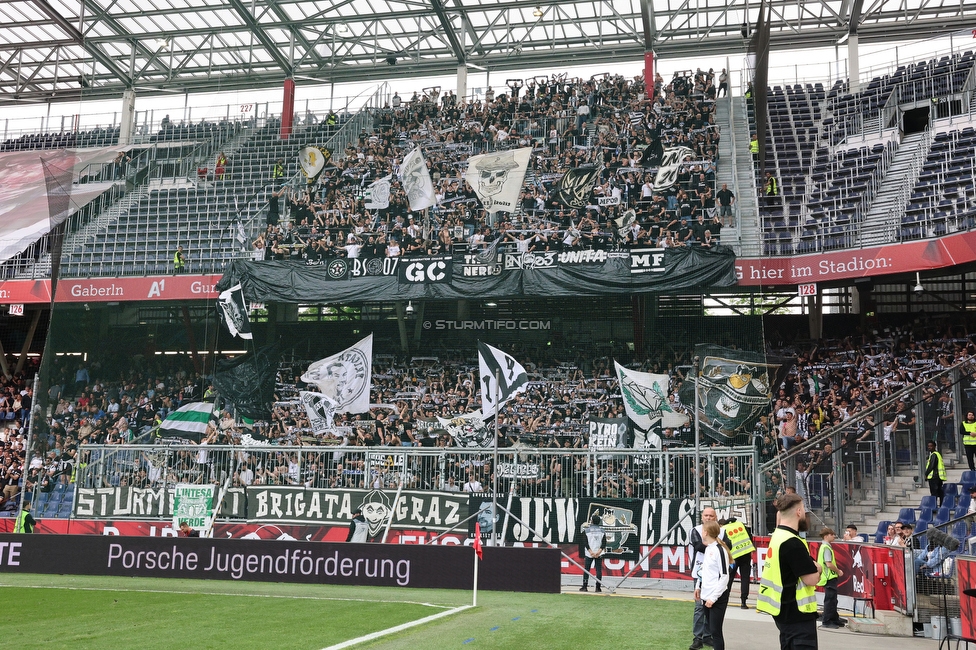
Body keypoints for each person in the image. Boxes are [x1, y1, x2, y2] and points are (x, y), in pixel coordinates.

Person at [757, 492, 822, 650]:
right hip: (797, 614)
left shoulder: (778, 536)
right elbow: (811, 579)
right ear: (798, 512)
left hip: (783, 611)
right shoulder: (792, 542)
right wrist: (818, 568)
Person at [690, 507, 726, 650]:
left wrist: (714, 545)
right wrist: (698, 585)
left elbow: (727, 546)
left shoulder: (719, 542)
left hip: (715, 582)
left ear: (715, 517)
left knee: (712, 614)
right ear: (702, 516)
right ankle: (698, 638)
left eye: (711, 515)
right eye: (706, 515)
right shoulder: (696, 530)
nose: (708, 517)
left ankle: (707, 636)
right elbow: (698, 546)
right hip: (700, 576)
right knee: (700, 608)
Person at [696, 520, 732, 650]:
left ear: (705, 532)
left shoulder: (719, 550)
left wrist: (713, 598)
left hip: (717, 597)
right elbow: (704, 571)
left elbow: (724, 576)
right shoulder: (708, 549)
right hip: (706, 595)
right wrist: (698, 586)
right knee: (712, 629)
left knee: (716, 632)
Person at [722, 516, 755, 609]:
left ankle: (725, 600)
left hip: (733, 557)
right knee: (745, 578)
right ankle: (743, 602)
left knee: (729, 578)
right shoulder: (740, 525)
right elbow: (750, 537)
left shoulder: (724, 529)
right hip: (745, 554)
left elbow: (724, 543)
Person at [817, 528, 845, 629]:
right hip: (829, 577)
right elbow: (829, 564)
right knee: (830, 600)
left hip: (828, 577)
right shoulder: (826, 548)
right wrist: (838, 571)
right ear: (826, 536)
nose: (834, 536)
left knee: (833, 599)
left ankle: (834, 618)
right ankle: (827, 621)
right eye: (832, 534)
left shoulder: (825, 547)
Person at [580, 512, 606, 592]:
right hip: (599, 553)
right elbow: (604, 543)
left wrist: (591, 552)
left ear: (592, 521)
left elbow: (585, 542)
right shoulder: (602, 531)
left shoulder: (587, 530)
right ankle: (598, 587)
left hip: (589, 553)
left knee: (586, 569)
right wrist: (598, 552)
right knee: (598, 570)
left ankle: (584, 586)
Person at [925, 440, 946, 507]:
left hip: (934, 477)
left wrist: (926, 474)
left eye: (931, 446)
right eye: (928, 446)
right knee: (939, 492)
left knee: (934, 493)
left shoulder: (934, 455)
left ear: (935, 446)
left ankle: (934, 507)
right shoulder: (937, 454)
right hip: (938, 477)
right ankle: (941, 505)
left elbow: (931, 466)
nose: (929, 447)